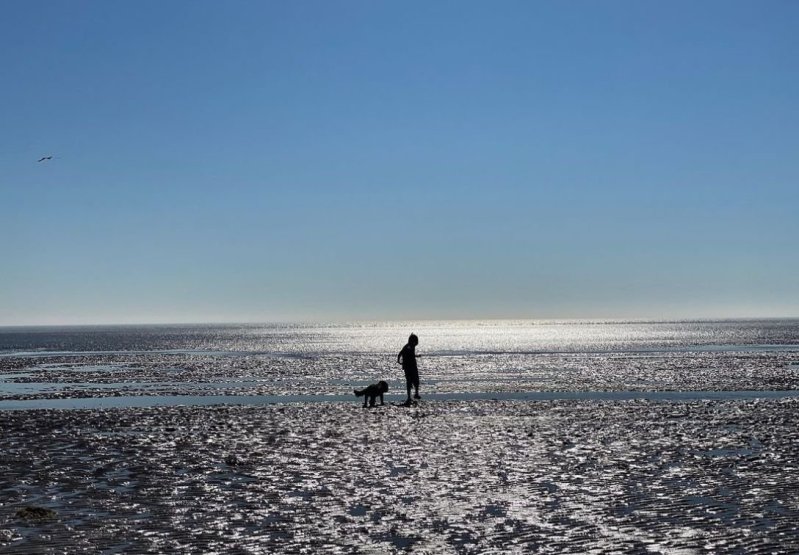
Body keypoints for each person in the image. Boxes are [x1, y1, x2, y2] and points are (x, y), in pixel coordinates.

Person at [397, 333, 421, 406]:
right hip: (409, 367)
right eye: (415, 341)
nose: (416, 343)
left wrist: (399, 360)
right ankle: (410, 397)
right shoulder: (408, 347)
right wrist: (399, 360)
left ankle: (415, 394)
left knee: (414, 381)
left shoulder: (409, 346)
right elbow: (404, 353)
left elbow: (400, 354)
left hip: (409, 366)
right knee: (411, 381)